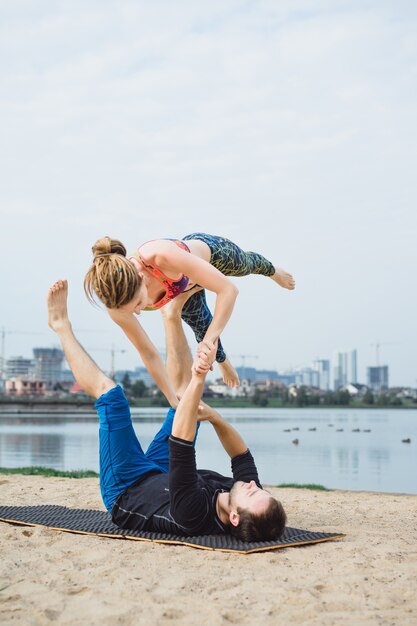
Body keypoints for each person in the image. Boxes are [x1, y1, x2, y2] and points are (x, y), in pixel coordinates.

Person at [47, 279, 287, 541]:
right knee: (187, 405)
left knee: (112, 396)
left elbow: (181, 445)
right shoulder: (244, 493)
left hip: (127, 487)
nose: (254, 485)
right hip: (162, 472)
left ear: (234, 517)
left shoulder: (193, 514)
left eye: (253, 492)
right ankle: (170, 314)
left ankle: (60, 326)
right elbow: (241, 455)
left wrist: (198, 376)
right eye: (259, 488)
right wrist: (215, 418)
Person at [84, 233, 295, 397]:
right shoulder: (116, 303)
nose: (138, 312)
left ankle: (272, 270)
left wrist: (209, 342)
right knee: (201, 326)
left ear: (140, 277)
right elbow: (148, 353)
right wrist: (172, 399)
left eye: (139, 303)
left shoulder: (160, 255)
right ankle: (223, 361)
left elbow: (228, 290)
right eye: (133, 310)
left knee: (247, 265)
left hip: (211, 256)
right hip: (182, 289)